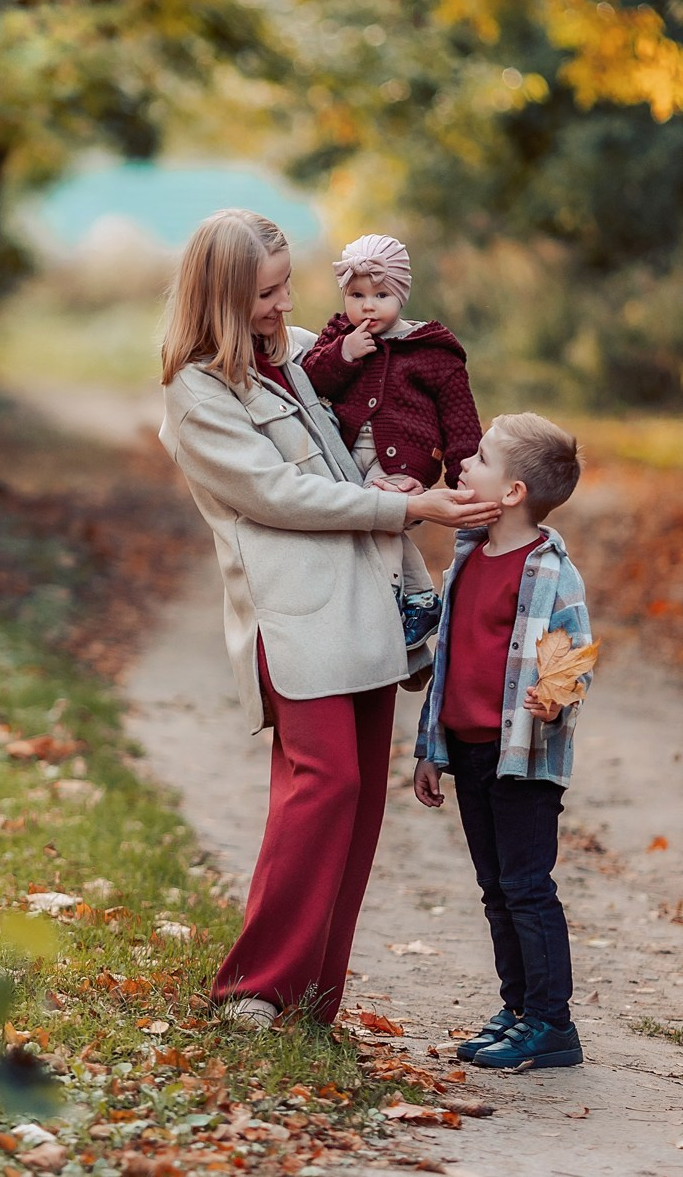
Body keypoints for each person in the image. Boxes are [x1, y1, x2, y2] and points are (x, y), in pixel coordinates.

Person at [158, 208, 499, 1027]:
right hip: (295, 612)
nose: (284, 305)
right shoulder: (196, 390)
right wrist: (405, 508)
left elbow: (386, 408)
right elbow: (276, 494)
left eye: (285, 287)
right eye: (265, 294)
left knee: (361, 796)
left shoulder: (301, 356)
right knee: (323, 782)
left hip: (365, 595)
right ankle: (254, 988)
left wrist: (421, 466)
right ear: (220, 297)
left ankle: (313, 999)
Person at [411, 413, 596, 1070]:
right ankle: (518, 1007)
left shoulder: (548, 569)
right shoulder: (468, 554)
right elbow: (450, 656)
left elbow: (573, 654)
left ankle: (551, 1021)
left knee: (525, 885)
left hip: (521, 755)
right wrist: (430, 750)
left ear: (513, 491)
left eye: (481, 457)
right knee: (494, 886)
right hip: (466, 748)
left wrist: (554, 694)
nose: (465, 461)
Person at [298, 233, 481, 661]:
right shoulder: (339, 336)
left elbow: (460, 423)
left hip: (405, 461)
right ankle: (421, 600)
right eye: (357, 295)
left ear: (402, 294)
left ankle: (385, 604)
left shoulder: (432, 352)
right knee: (363, 518)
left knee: (381, 515)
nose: (368, 306)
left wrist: (464, 483)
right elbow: (310, 382)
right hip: (345, 457)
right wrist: (344, 354)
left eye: (381, 295)